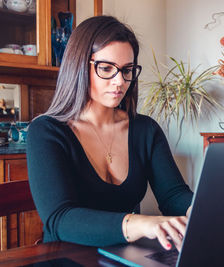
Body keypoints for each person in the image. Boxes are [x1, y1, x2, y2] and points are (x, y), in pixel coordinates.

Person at [27, 16, 193, 251]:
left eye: (127, 70)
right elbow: (60, 219)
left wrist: (203, 209)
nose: (120, 82)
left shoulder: (145, 130)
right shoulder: (46, 132)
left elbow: (173, 195)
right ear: (78, 65)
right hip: (67, 258)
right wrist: (141, 224)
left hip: (123, 255)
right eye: (106, 68)